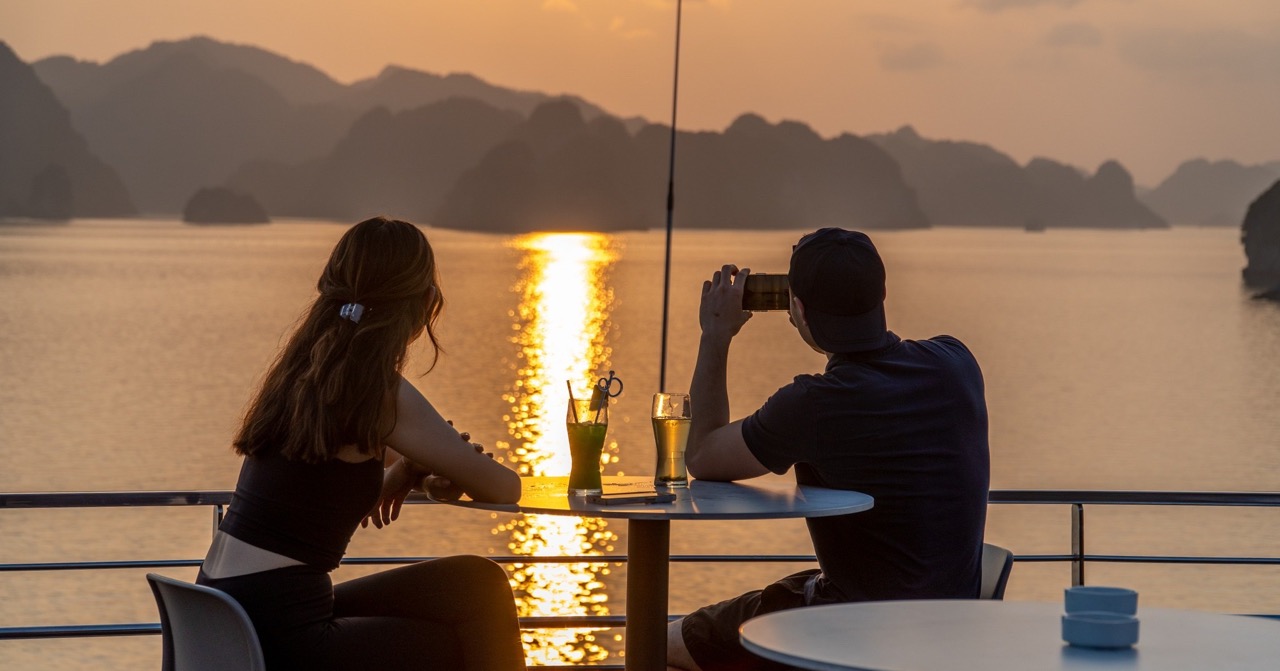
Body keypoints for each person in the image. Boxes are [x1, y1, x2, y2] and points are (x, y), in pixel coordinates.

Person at [198, 216, 527, 671]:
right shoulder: (378, 392)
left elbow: (325, 484)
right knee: (472, 610)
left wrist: (411, 470)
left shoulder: (301, 377)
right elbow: (505, 487)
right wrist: (436, 464)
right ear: (422, 304)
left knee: (469, 584)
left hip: (224, 614)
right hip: (280, 634)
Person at [666, 228, 990, 671]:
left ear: (797, 309)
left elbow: (702, 456)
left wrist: (715, 334)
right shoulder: (957, 363)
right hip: (951, 628)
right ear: (882, 293)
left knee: (658, 642)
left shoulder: (814, 403)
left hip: (852, 629)